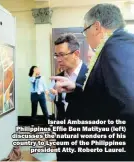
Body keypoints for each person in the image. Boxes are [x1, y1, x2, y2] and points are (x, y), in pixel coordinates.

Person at [51, 3, 134, 161]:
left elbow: (128, 104)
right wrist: (75, 88)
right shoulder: (118, 44)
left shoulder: (116, 47)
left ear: (96, 27)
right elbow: (106, 94)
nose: (85, 36)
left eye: (85, 30)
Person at [49, 33, 88, 161]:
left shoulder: (91, 74)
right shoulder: (58, 77)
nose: (58, 59)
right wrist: (53, 97)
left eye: (61, 55)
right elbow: (62, 106)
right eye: (56, 55)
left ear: (76, 54)